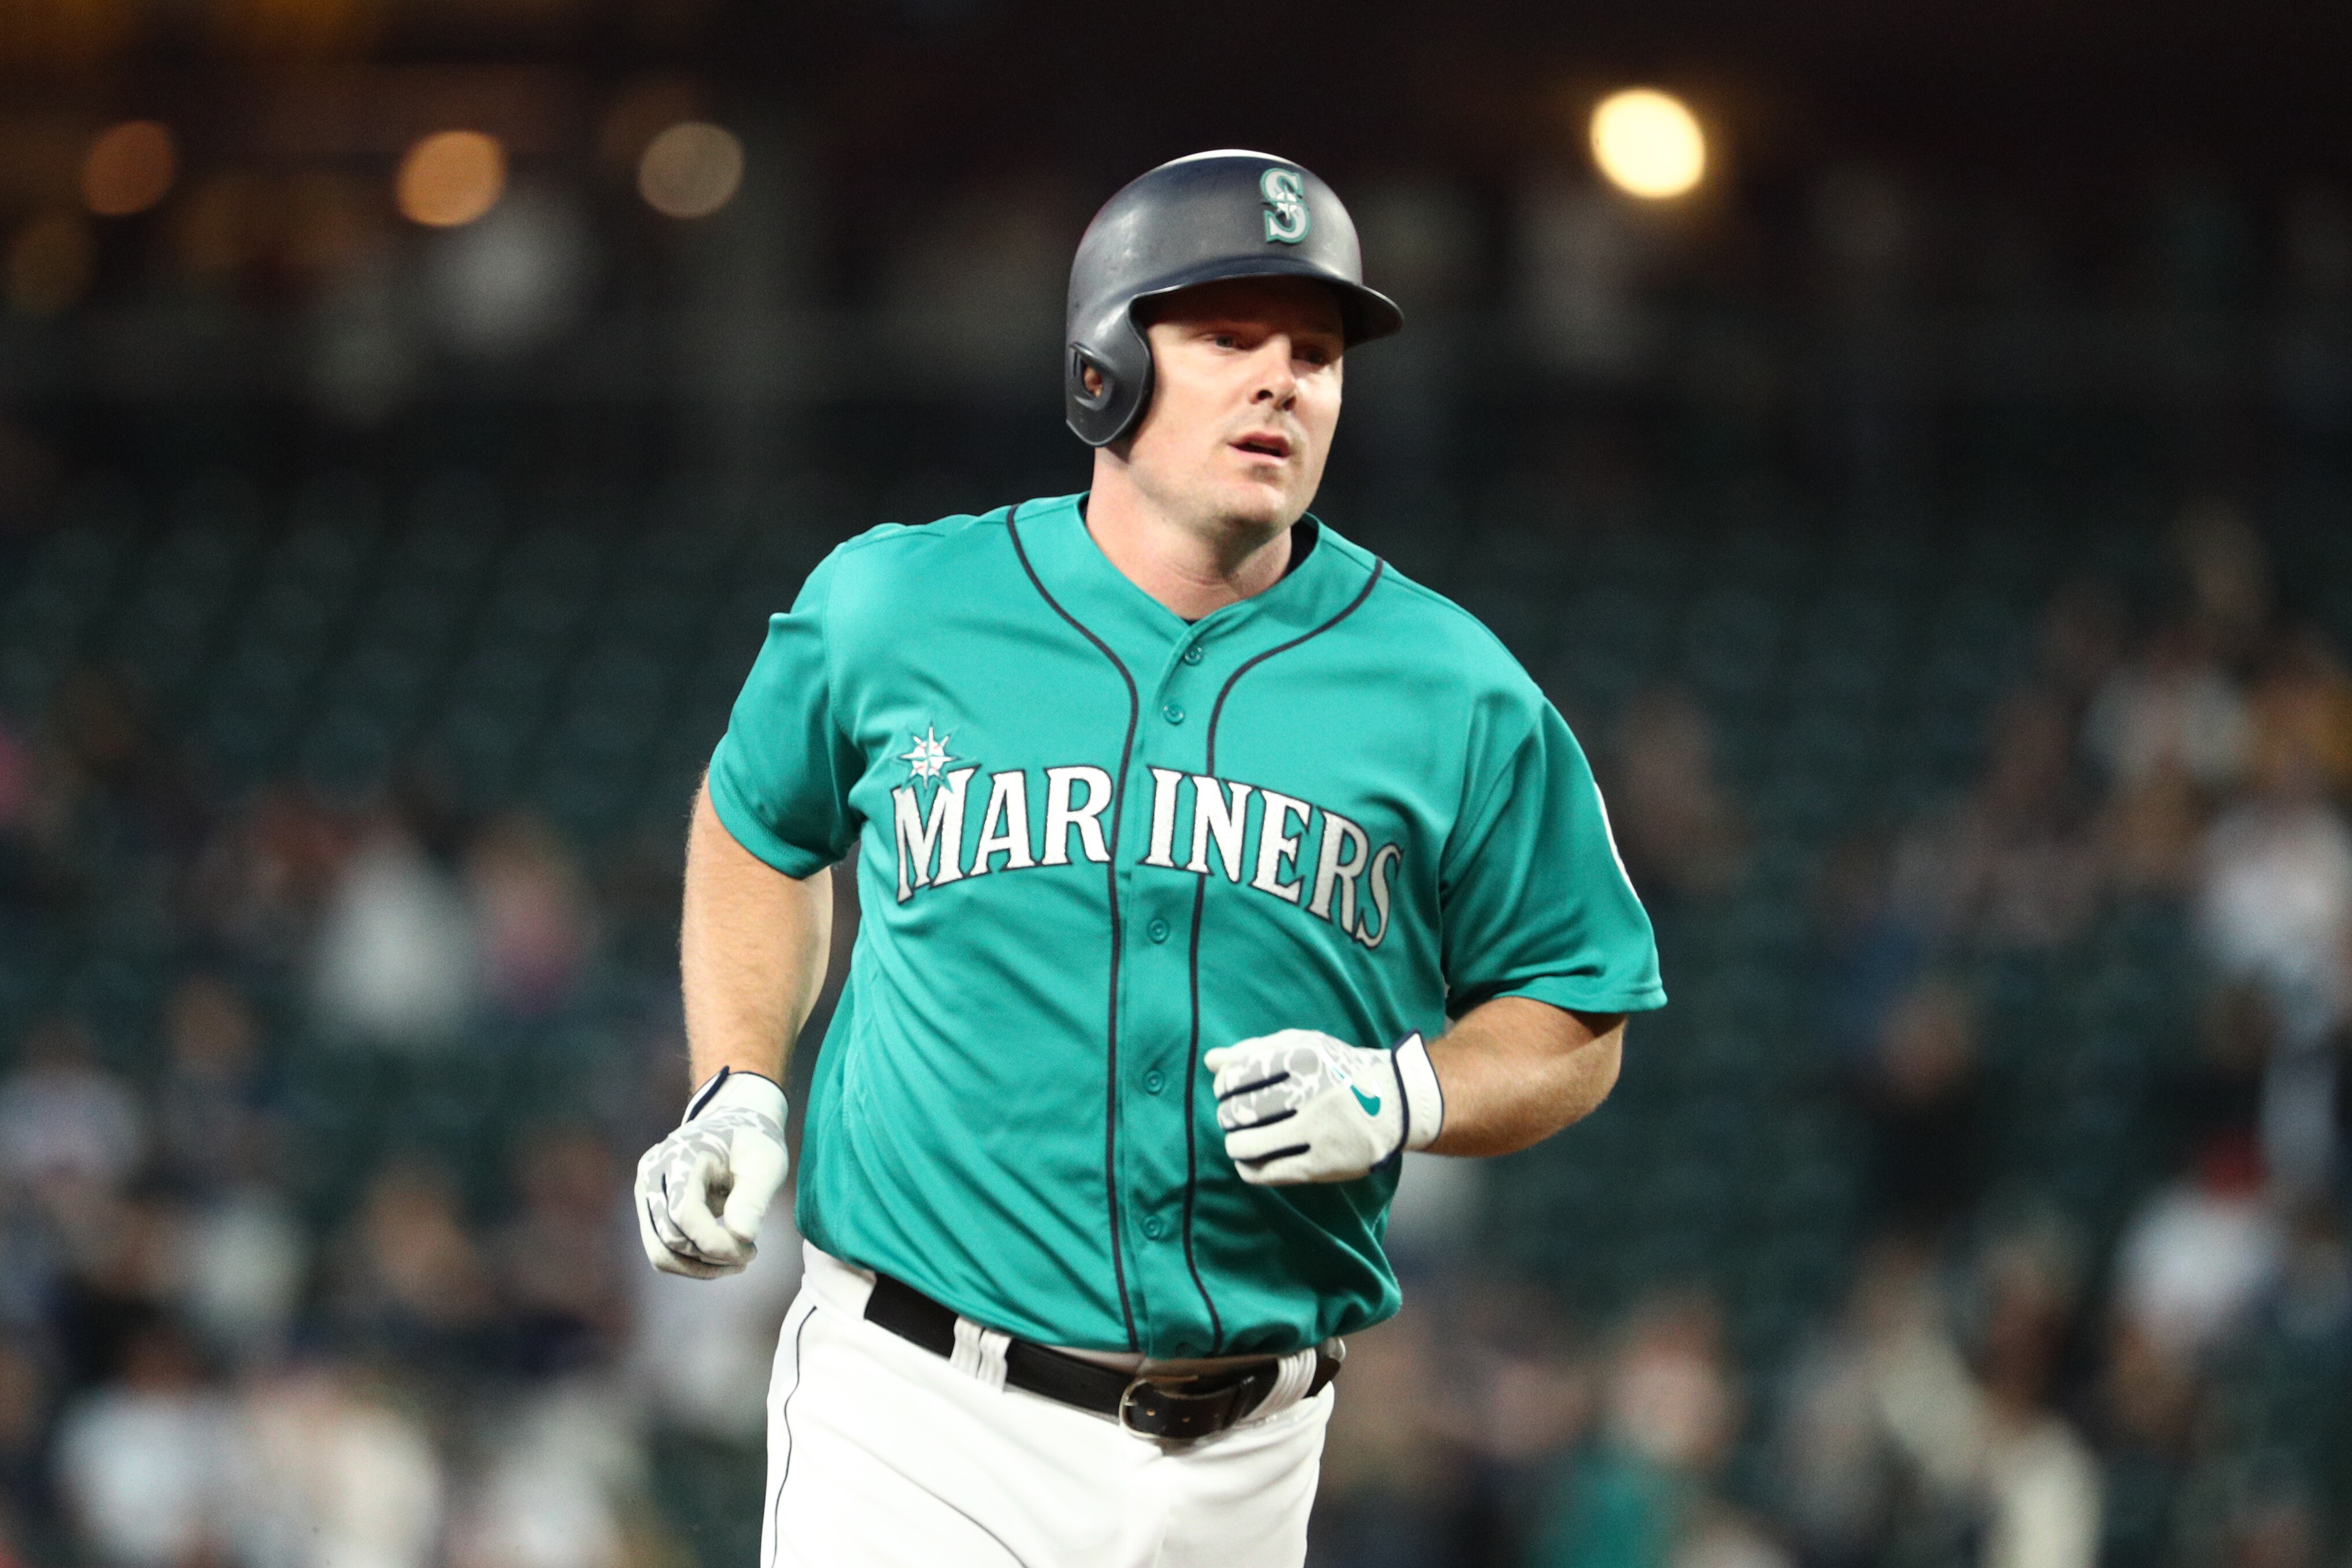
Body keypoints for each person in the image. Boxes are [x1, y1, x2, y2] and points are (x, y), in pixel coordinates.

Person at [633, 150, 1666, 1568]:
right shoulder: (898, 606)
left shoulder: (1455, 689)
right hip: (917, 1416)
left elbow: (1579, 1011)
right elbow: (760, 827)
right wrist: (742, 1084)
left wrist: (1408, 1091)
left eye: (1316, 351)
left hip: (1251, 1457)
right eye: (1229, 337)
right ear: (1105, 367)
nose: (1283, 381)